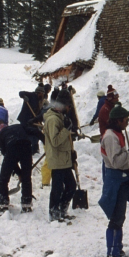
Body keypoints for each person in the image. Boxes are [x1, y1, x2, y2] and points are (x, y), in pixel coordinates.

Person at [99, 104, 129, 257]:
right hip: (115, 179)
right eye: (125, 120)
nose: (127, 123)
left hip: (122, 178)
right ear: (118, 121)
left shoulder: (118, 133)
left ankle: (118, 250)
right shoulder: (110, 137)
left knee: (120, 217)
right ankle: (111, 256)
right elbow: (116, 161)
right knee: (116, 218)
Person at [44, 90, 77, 222]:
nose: (69, 109)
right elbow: (55, 141)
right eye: (68, 106)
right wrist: (66, 129)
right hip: (57, 159)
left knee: (71, 186)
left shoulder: (60, 117)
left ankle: (62, 209)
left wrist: (71, 153)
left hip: (64, 159)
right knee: (57, 188)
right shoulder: (52, 119)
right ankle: (54, 212)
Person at [0, 122, 44, 213]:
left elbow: (8, 157)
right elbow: (35, 131)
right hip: (26, 146)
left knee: (3, 178)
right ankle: (26, 205)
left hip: (12, 147)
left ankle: (3, 204)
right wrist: (46, 141)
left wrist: (18, 172)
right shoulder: (19, 126)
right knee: (26, 178)